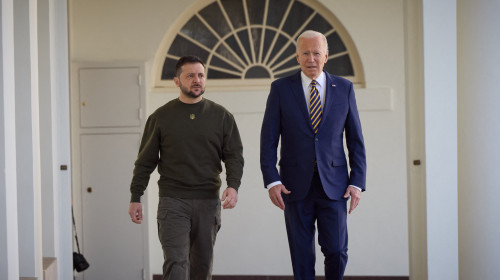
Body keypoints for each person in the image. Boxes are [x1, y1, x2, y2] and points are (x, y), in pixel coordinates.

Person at [260, 30, 366, 279]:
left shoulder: (345, 88)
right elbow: (268, 140)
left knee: (338, 250)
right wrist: (272, 180)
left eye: (316, 53)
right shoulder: (280, 89)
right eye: (305, 53)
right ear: (297, 56)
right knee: (302, 255)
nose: (311, 59)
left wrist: (357, 181)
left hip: (336, 185)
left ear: (326, 56)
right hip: (294, 186)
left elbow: (355, 140)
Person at [128, 55, 244, 280]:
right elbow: (145, 161)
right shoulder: (161, 117)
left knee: (201, 267)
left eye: (201, 75)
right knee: (177, 264)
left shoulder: (221, 116)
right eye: (190, 76)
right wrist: (135, 196)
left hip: (208, 201)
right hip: (173, 202)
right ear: (176, 81)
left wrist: (233, 186)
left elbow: (234, 156)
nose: (197, 80)